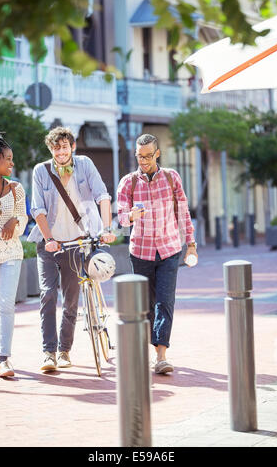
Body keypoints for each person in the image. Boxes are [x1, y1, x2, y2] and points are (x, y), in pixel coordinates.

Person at [27, 126, 115, 372]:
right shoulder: (41, 171)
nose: (60, 151)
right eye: (56, 148)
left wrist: (107, 228)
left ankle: (65, 350)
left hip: (78, 241)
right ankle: (49, 353)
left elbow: (103, 196)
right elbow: (38, 210)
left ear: (72, 147)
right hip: (51, 244)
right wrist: (49, 239)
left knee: (71, 300)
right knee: (47, 294)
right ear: (50, 149)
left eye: (64, 146)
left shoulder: (85, 165)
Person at [117, 133, 198, 374]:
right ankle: (148, 348)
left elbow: (183, 212)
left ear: (157, 153)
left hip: (169, 249)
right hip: (140, 252)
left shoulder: (172, 178)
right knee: (145, 306)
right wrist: (131, 215)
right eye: (139, 156)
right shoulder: (128, 183)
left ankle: (161, 355)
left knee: (165, 301)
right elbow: (120, 219)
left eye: (148, 156)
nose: (143, 161)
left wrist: (190, 243)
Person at [0, 127, 28, 377]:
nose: (12, 163)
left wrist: (14, 222)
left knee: (5, 304)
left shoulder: (15, 189)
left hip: (11, 252)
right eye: (8, 159)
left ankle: (4, 358)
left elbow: (23, 215)